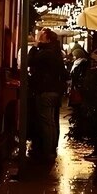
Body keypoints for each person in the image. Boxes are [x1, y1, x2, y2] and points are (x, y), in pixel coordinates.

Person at [27, 28, 68, 159]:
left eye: (41, 36)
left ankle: (47, 151)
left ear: (48, 39)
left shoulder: (46, 53)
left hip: (46, 90)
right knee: (51, 121)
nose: (39, 37)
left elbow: (29, 61)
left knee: (46, 121)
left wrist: (35, 46)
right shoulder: (55, 52)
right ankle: (51, 148)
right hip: (54, 90)